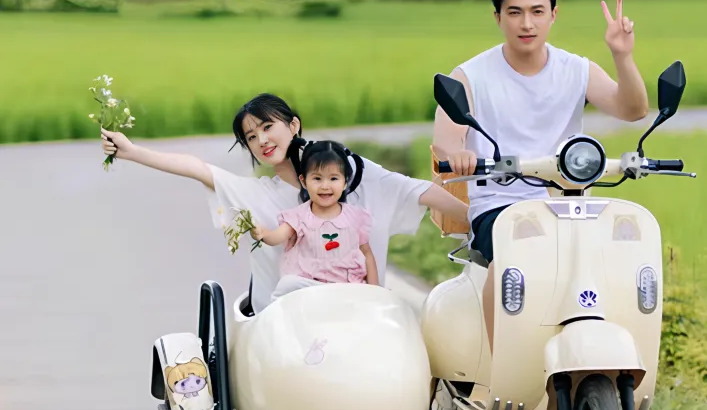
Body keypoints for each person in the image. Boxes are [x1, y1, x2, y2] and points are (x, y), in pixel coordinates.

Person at [431, 0, 649, 349]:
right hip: (498, 205)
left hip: (568, 203)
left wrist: (622, 56)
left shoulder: (576, 70)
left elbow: (633, 110)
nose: (527, 23)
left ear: (553, 14)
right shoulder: (471, 76)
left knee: (621, 261)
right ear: (498, 17)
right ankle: (504, 364)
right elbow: (446, 141)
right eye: (514, 12)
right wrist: (459, 154)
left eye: (537, 11)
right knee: (510, 262)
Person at [100, 92, 468, 313]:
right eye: (251, 137)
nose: (261, 140)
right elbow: (199, 169)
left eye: (267, 127)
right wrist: (132, 152)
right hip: (288, 320)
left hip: (359, 311)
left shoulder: (350, 172)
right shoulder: (258, 195)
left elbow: (414, 190)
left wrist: (478, 220)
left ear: (293, 125)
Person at [250, 139, 379, 302]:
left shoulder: (356, 217)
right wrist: (263, 234)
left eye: (333, 179)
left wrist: (376, 291)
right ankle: (280, 313)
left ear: (345, 182)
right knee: (287, 283)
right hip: (310, 288)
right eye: (317, 179)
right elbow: (277, 236)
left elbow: (367, 254)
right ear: (304, 181)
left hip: (346, 288)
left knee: (364, 295)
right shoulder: (299, 216)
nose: (325, 186)